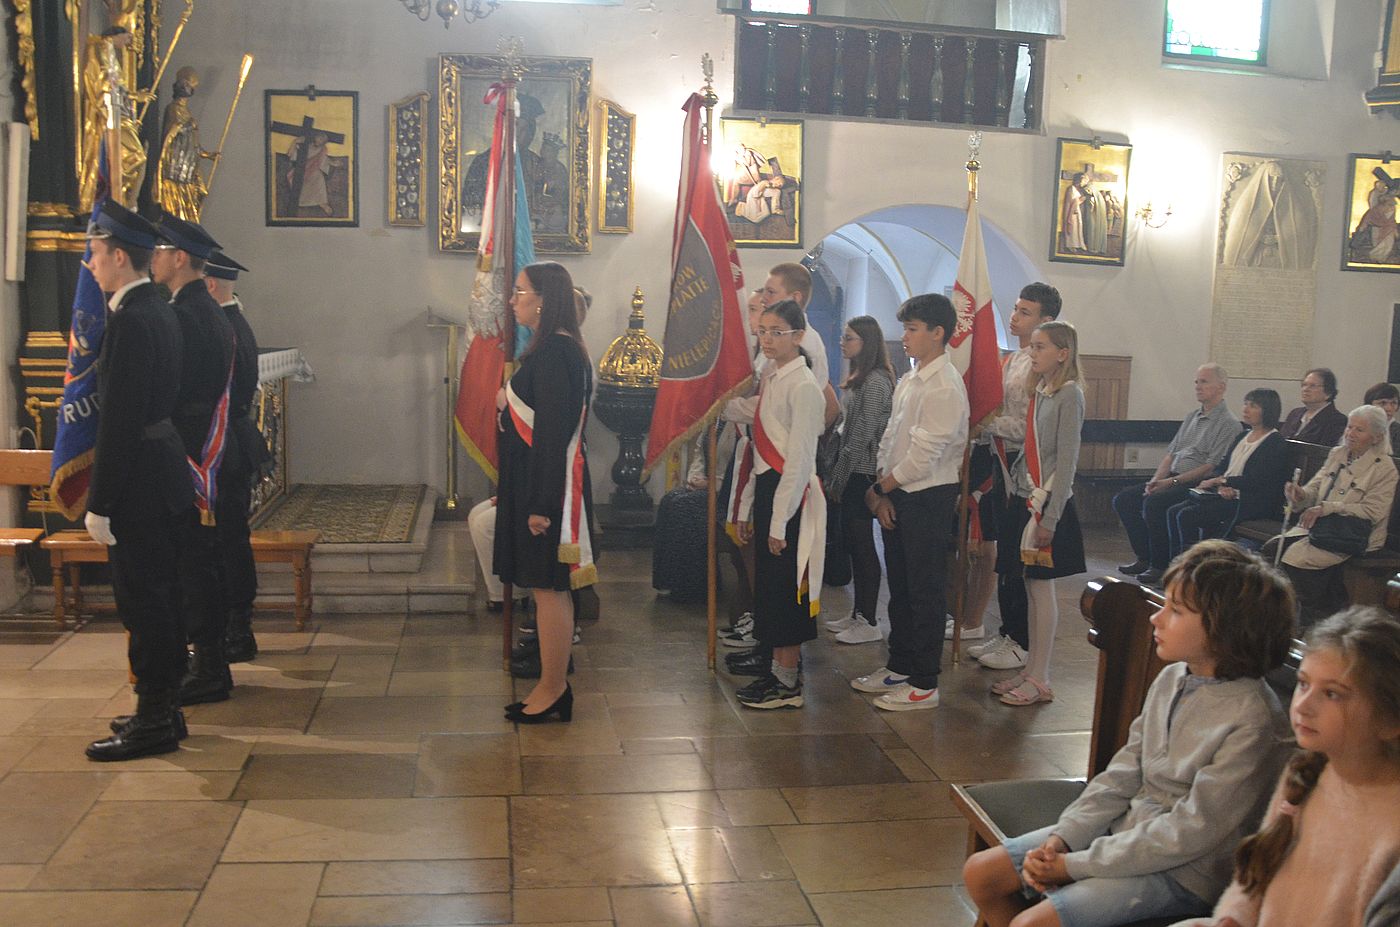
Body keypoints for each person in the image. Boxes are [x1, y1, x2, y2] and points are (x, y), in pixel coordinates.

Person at [963, 540, 1295, 927]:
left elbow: (1191, 832)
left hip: (1185, 871)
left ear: (1225, 630)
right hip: (1127, 829)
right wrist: (1063, 839)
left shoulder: (1253, 719)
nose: (1157, 618)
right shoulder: (1174, 676)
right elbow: (1125, 770)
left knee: (1032, 924)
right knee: (982, 874)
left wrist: (1074, 865)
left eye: (1176, 611)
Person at [1171, 607, 1400, 927]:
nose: (1303, 706)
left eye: (1332, 694)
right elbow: (1254, 877)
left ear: (1389, 721)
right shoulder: (1306, 771)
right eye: (1303, 684)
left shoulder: (1392, 825)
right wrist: (1233, 918)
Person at [81, 201, 195, 762]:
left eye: (96, 254)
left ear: (120, 257)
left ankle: (154, 719)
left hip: (139, 482)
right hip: (162, 469)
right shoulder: (161, 309)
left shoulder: (131, 320)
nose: (91, 265)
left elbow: (119, 421)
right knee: (161, 596)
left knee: (144, 601)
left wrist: (100, 502)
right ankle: (163, 708)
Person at [850, 293, 968, 711]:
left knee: (924, 590)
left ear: (938, 333)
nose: (904, 337)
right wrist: (882, 484)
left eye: (913, 329)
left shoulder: (944, 385)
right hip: (899, 489)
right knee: (899, 586)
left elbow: (925, 454)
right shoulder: (912, 378)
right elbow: (891, 437)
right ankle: (899, 664)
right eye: (905, 328)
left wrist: (883, 488)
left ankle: (924, 681)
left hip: (928, 496)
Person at [495, 262, 596, 722]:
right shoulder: (553, 348)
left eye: (520, 292)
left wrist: (540, 505)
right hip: (535, 483)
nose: (513, 300)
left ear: (543, 299)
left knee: (549, 589)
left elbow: (552, 434)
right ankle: (550, 687)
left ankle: (554, 688)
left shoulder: (556, 352)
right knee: (545, 589)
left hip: (547, 491)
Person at [152, 214, 237, 707]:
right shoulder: (206, 309)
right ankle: (209, 661)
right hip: (200, 444)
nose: (154, 259)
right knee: (201, 559)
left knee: (191, 562)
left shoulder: (186, 315)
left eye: (161, 251)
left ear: (180, 258)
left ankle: (206, 666)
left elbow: (178, 388)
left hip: (188, 450)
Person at [732, 299, 825, 709]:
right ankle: (776, 669)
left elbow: (800, 460)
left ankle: (787, 683)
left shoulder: (803, 386)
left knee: (788, 588)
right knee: (771, 587)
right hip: (771, 489)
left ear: (798, 336)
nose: (767, 339)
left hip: (793, 497)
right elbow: (758, 444)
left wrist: (779, 522)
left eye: (777, 332)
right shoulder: (773, 377)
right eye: (763, 331)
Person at [989, 320, 1086, 706]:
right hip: (1025, 498)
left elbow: (1066, 461)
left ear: (1063, 353)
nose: (1032, 352)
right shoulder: (1041, 392)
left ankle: (1041, 678)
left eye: (1041, 346)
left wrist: (1050, 517)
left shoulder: (1069, 394)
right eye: (1031, 346)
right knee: (1030, 587)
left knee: (1042, 590)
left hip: (1045, 505)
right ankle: (1030, 669)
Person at [968, 282, 1063, 672]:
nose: (1014, 317)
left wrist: (986, 424)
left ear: (1046, 321)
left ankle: (1022, 641)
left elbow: (1029, 426)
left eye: (1025, 312)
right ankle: (1008, 631)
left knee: (1018, 560)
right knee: (1006, 556)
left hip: (1025, 472)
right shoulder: (1012, 360)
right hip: (1001, 465)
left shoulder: (1043, 369)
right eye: (1015, 309)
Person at [1268, 405, 1398, 627]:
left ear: (1376, 437)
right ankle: (1278, 614)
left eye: (1359, 430)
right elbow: (1315, 488)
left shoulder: (1384, 469)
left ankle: (1310, 618)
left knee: (1296, 561)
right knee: (1273, 549)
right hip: (1321, 527)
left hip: (1352, 535)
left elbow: (1373, 511)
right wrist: (1300, 494)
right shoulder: (1337, 454)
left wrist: (1329, 508)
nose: (1350, 433)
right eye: (1349, 427)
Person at [1114, 363, 1240, 586]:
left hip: (1196, 483)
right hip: (1172, 477)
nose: (1198, 386)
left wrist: (1170, 482)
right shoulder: (1192, 416)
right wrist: (1155, 480)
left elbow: (1211, 466)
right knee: (1124, 499)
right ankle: (1145, 556)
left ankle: (1160, 565)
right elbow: (1171, 454)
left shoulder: (1229, 424)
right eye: (1196, 382)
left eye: (1204, 382)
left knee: (1155, 503)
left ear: (1221, 387)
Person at [203, 250, 270, 664]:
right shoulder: (234, 323)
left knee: (227, 541)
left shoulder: (223, 328)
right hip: (234, 441)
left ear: (210, 284)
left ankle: (236, 629)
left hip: (224, 445)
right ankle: (235, 627)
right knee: (231, 539)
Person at [823, 315, 894, 645]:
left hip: (864, 471)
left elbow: (862, 433)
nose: (843, 342)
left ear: (866, 343)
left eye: (849, 338)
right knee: (853, 544)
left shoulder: (876, 381)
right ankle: (857, 614)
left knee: (863, 547)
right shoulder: (861, 377)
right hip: (853, 468)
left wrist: (838, 477)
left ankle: (868, 620)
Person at [1166, 388, 1290, 559]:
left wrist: (1224, 482)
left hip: (1248, 501)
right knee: (1174, 511)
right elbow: (1222, 466)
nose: (1245, 409)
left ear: (1268, 410)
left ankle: (1193, 564)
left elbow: (1257, 480)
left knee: (1186, 515)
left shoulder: (1274, 442)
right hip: (1224, 493)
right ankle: (1177, 562)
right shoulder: (1243, 435)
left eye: (1253, 406)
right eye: (1245, 404)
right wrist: (1220, 484)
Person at [154, 67, 217, 221]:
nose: (189, 88)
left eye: (191, 85)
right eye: (186, 84)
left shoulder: (186, 112)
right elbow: (172, 132)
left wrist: (208, 155)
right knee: (177, 210)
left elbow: (193, 144)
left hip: (189, 170)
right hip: (175, 171)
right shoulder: (172, 108)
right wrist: (188, 125)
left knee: (201, 193)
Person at [1280, 368, 1347, 446]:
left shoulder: (1337, 420)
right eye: (1304, 385)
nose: (1305, 389)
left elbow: (1324, 450)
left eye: (1312, 386)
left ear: (1328, 392)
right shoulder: (1295, 413)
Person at [1363, 381, 1400, 451]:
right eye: (1383, 403)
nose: (1389, 408)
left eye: (1394, 403)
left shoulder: (1398, 431)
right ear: (1369, 405)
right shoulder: (1357, 426)